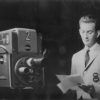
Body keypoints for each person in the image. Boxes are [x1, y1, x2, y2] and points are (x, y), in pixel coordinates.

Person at [71, 14, 100, 100]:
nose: (85, 36)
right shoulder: (75, 57)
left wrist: (95, 90)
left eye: (89, 32)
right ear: (79, 32)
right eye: (83, 32)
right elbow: (73, 86)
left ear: (97, 33)